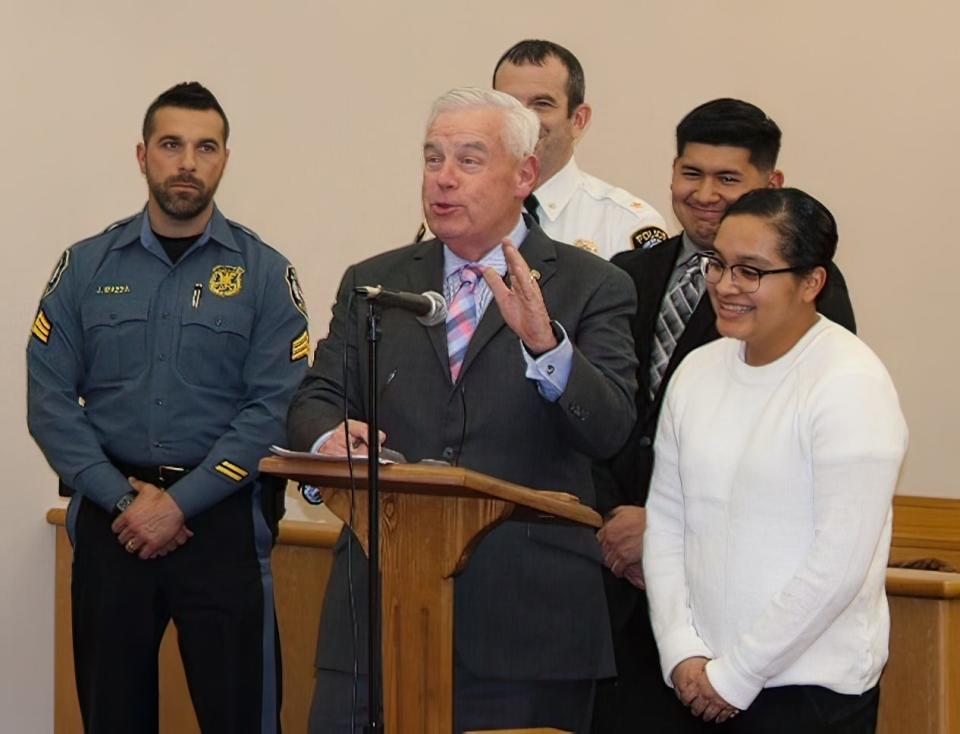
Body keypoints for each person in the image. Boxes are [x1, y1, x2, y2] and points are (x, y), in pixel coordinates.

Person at [287, 87, 638, 733]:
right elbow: (316, 400)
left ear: (524, 174)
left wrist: (546, 346)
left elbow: (611, 427)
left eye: (469, 160)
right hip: (375, 615)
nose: (443, 178)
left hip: (527, 630)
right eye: (432, 158)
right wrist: (327, 436)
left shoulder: (594, 286)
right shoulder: (374, 281)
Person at [27, 82, 308, 734]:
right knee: (110, 715)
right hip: (110, 522)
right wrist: (126, 502)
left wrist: (180, 504)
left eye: (205, 147)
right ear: (142, 155)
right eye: (171, 144)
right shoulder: (86, 268)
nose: (188, 161)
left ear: (224, 161)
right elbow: (48, 403)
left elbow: (273, 409)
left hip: (224, 525)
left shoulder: (265, 275)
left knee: (242, 716)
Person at [592, 98, 858, 733]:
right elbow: (597, 414)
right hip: (620, 596)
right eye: (691, 173)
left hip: (738, 624)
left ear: (771, 185)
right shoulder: (624, 275)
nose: (705, 194)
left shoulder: (808, 291)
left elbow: (781, 450)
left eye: (727, 179)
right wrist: (615, 519)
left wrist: (662, 527)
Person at [643, 187, 908, 731]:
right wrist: (680, 650)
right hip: (697, 680)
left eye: (751, 271)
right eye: (717, 264)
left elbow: (839, 562)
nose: (725, 285)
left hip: (806, 692)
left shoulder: (848, 382)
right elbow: (668, 522)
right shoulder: (698, 370)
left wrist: (738, 673)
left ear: (811, 282)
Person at [491, 39, 668, 258]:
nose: (524, 120)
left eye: (542, 104)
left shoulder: (626, 224)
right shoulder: (462, 210)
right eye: (510, 105)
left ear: (578, 120)